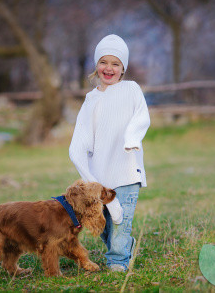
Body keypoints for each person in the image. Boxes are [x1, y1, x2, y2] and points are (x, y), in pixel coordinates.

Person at [69, 34, 150, 272]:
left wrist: (132, 138)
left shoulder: (131, 90)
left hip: (126, 169)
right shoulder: (91, 99)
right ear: (96, 65)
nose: (109, 68)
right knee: (103, 224)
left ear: (123, 68)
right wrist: (83, 161)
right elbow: (81, 137)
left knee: (120, 222)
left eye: (115, 63)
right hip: (99, 175)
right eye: (104, 62)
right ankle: (125, 245)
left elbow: (142, 116)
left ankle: (118, 261)